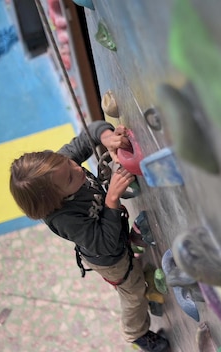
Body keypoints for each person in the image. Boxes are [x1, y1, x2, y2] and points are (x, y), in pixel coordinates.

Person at [9, 121, 169, 352]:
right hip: (108, 257)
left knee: (130, 258)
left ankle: (134, 258)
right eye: (70, 180)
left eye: (68, 163)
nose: (77, 169)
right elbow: (104, 244)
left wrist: (105, 137)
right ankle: (137, 334)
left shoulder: (61, 169)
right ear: (56, 201)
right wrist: (111, 199)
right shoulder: (64, 218)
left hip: (111, 231)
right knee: (133, 295)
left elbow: (87, 136)